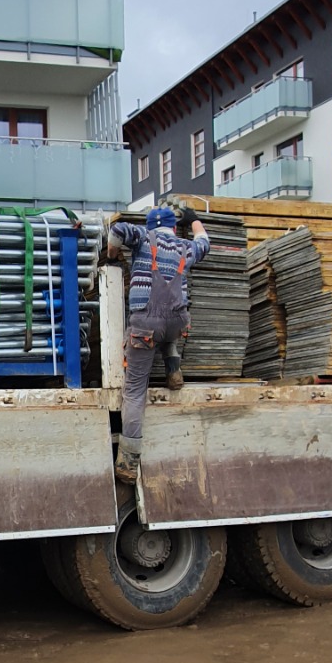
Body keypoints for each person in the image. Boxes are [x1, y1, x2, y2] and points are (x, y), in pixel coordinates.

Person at [105, 205, 210, 483]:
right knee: (167, 328)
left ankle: (128, 461)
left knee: (135, 392)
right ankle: (173, 369)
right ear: (174, 228)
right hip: (176, 324)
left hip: (146, 327)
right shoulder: (186, 247)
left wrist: (112, 255)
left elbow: (116, 231)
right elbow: (205, 242)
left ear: (151, 226)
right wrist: (195, 219)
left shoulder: (142, 237)